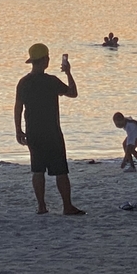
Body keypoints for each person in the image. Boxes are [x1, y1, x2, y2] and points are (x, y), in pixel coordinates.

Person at [14, 43, 84, 215]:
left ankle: (41, 206)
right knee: (61, 171)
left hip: (33, 132)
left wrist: (18, 130)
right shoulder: (51, 81)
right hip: (52, 132)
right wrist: (68, 72)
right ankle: (67, 206)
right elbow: (73, 93)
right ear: (45, 60)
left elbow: (18, 107)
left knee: (37, 170)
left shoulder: (23, 82)